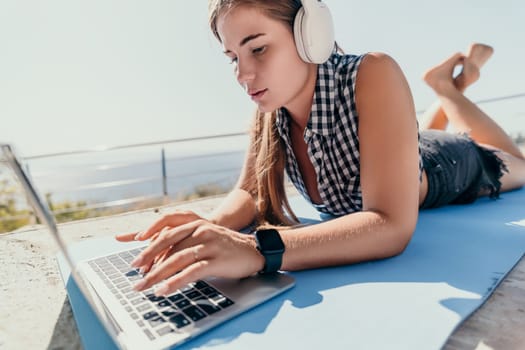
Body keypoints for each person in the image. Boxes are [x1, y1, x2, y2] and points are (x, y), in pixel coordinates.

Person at [116, 0, 525, 297]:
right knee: (414, 138)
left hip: (445, 166)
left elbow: (391, 225)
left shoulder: (373, 72)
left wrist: (258, 249)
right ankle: (446, 93)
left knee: (514, 161)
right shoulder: (271, 108)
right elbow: (252, 190)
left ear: (310, 34)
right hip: (402, 146)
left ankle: (446, 89)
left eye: (257, 48)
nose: (242, 74)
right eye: (232, 57)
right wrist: (213, 226)